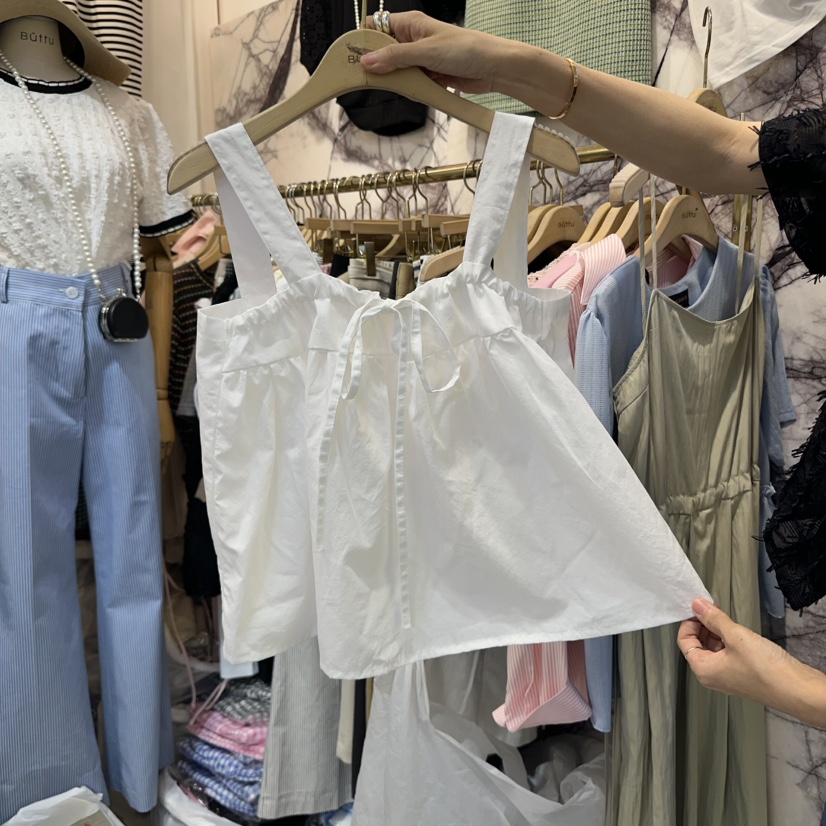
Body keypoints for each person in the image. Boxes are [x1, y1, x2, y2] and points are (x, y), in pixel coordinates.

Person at [363, 11, 826, 727]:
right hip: (687, 589)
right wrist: (511, 64)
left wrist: (790, 688)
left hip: (716, 591)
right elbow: (734, 150)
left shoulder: (709, 285)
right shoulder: (604, 300)